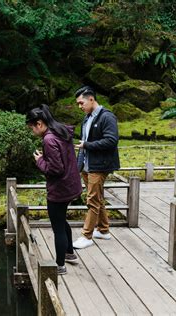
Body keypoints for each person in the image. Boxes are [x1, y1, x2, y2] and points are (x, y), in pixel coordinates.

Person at [27, 104, 82, 275]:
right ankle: (69, 253)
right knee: (62, 219)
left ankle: (59, 265)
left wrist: (40, 161)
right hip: (71, 184)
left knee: (57, 225)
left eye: (31, 127)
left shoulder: (49, 139)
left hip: (60, 188)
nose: (32, 131)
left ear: (39, 123)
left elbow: (55, 169)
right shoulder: (61, 131)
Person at [72, 86, 120, 249]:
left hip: (99, 166)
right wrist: (79, 167)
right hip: (87, 165)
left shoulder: (107, 117)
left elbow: (111, 140)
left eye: (81, 103)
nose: (80, 106)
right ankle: (104, 230)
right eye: (78, 104)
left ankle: (86, 235)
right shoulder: (87, 117)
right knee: (97, 198)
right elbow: (83, 143)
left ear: (91, 99)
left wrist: (88, 145)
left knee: (92, 200)